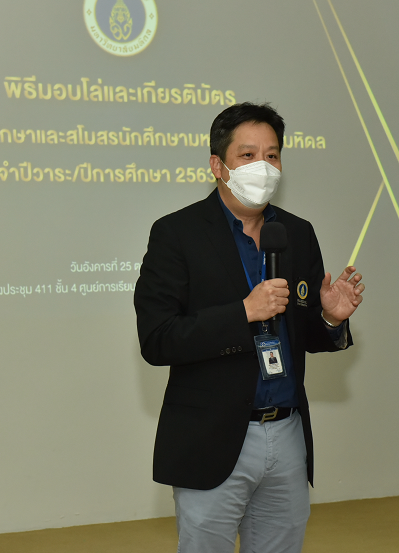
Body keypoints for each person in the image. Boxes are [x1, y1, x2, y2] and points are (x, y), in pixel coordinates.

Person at [134, 102, 365, 553]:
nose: (264, 166)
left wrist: (331, 318)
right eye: (248, 155)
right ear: (217, 165)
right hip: (211, 436)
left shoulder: (297, 233)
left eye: (272, 155)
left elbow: (303, 335)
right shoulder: (176, 233)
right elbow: (158, 339)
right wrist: (242, 312)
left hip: (286, 430)